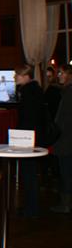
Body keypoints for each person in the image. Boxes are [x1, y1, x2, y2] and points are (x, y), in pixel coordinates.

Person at [15, 65, 46, 218]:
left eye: (18, 75)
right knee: (30, 172)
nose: (15, 77)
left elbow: (27, 118)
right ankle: (31, 206)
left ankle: (31, 208)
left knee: (28, 172)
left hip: (27, 136)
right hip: (33, 135)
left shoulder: (27, 92)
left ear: (26, 76)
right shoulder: (35, 90)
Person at [51, 65, 72, 213]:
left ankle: (66, 204)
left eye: (61, 73)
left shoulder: (69, 93)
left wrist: (55, 132)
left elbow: (63, 119)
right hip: (66, 138)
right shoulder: (66, 91)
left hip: (66, 139)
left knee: (66, 171)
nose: (58, 75)